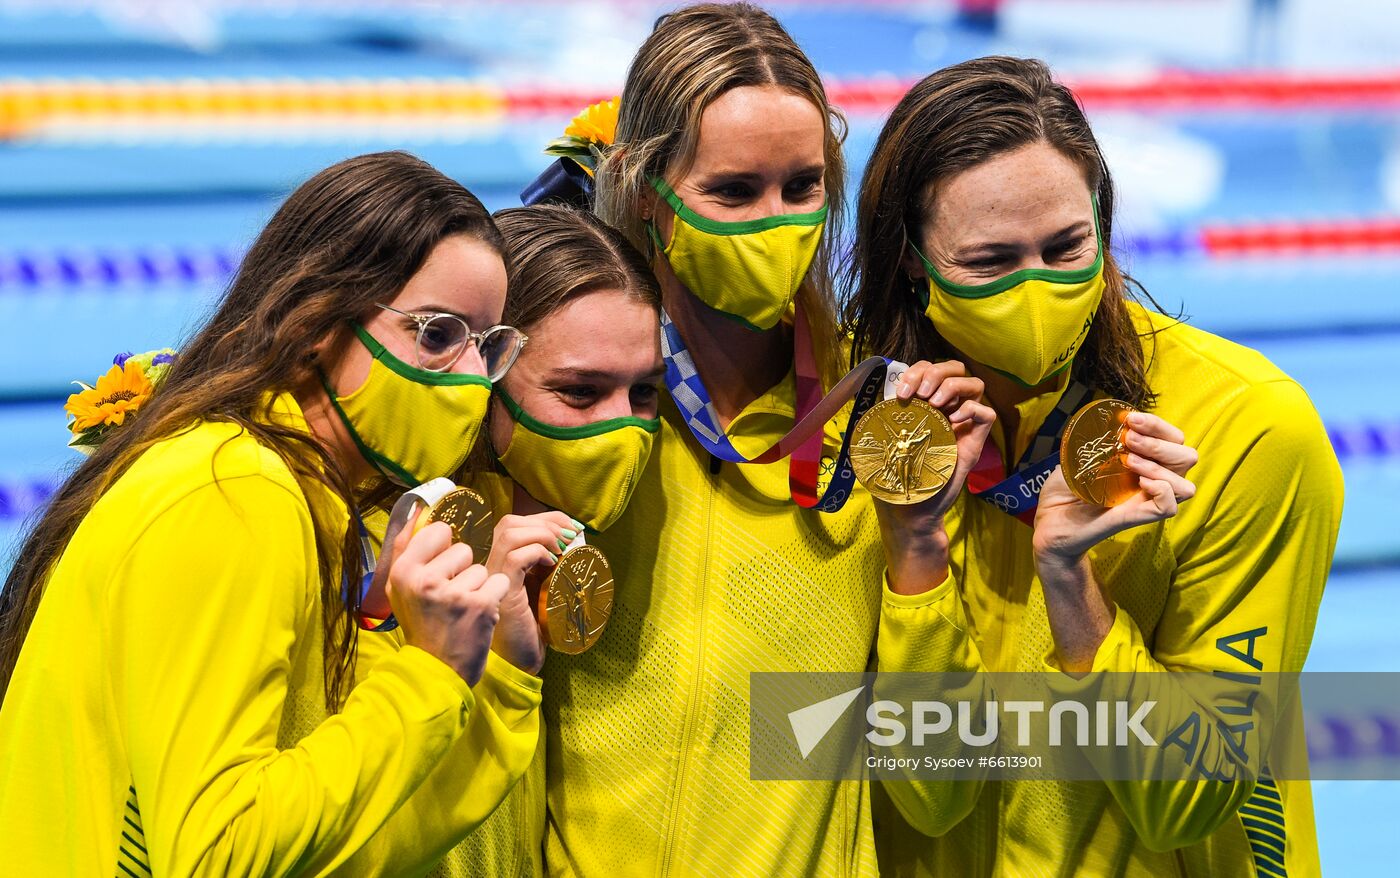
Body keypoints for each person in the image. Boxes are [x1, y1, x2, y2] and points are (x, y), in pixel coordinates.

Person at [843, 56, 1344, 877]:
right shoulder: (879, 432)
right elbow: (933, 793)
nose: (1036, 290)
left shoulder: (1249, 428)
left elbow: (1188, 798)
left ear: (1103, 228)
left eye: (1066, 246)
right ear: (909, 259)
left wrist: (1071, 584)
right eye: (991, 261)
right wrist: (918, 548)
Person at [0, 151, 545, 876]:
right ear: (314, 319)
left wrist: (498, 676)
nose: (474, 379)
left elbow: (348, 844)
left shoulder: (299, 497)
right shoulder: (234, 495)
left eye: (488, 346)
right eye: (438, 334)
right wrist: (431, 674)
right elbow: (218, 854)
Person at [540, 4, 991, 874]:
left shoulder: (886, 428)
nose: (776, 220)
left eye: (803, 185)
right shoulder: (565, 408)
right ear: (646, 191)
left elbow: (942, 787)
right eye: (734, 191)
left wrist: (919, 544)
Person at [356, 203, 665, 878]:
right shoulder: (381, 550)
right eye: (579, 393)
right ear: (487, 382)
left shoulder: (641, 534)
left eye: (644, 393)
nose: (622, 428)